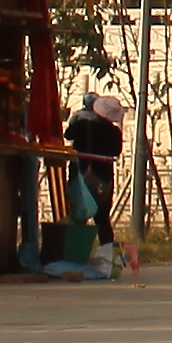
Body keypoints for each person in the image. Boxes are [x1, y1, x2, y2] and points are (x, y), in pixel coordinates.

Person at [61, 88, 124, 275]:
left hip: (81, 173)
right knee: (103, 218)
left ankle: (75, 258)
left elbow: (68, 135)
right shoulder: (114, 132)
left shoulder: (81, 124)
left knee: (79, 216)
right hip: (104, 177)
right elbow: (116, 152)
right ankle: (107, 260)